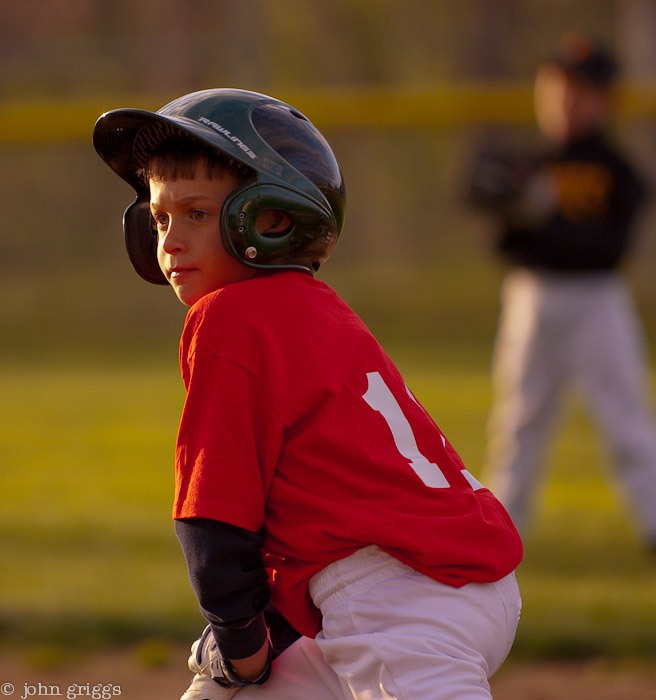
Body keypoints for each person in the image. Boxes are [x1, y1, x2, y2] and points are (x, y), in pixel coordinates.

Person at [93, 88, 523, 700]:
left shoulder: (228, 318)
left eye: (195, 213)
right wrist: (252, 632)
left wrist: (239, 640)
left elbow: (213, 517)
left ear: (272, 218)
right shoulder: (322, 308)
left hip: (397, 598)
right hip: (451, 579)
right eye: (161, 218)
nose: (169, 241)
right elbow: (318, 499)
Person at [467, 34, 656, 552]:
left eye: (582, 89)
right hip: (532, 296)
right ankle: (504, 530)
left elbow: (610, 248)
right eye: (558, 85)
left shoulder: (617, 170)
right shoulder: (532, 163)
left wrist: (548, 217)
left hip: (596, 300)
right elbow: (505, 242)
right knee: (519, 418)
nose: (567, 99)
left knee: (625, 413)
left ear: (605, 100)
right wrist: (500, 205)